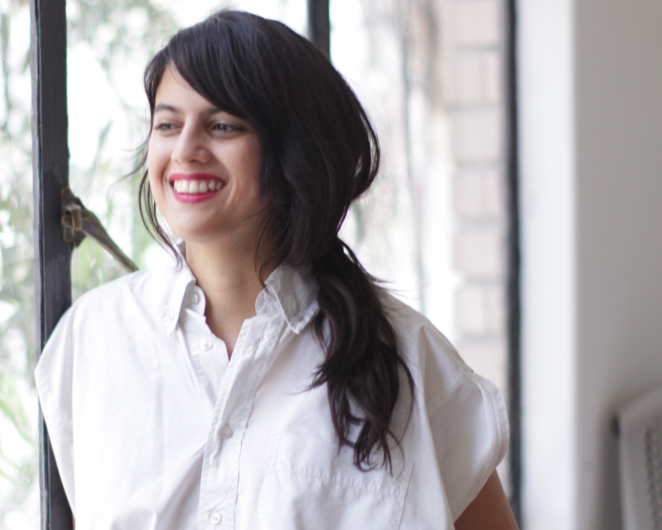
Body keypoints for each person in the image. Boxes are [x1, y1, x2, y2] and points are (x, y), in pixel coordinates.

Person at [35, 10, 519, 530]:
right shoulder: (91, 341)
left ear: (294, 152)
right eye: (168, 124)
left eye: (221, 126)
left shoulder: (405, 357)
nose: (185, 150)